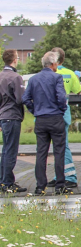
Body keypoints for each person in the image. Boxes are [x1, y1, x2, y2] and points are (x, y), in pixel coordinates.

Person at [22, 51, 68, 195]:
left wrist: (35, 110)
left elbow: (25, 98)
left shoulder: (34, 79)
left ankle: (40, 186)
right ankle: (60, 185)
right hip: (55, 117)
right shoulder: (57, 77)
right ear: (54, 64)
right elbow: (61, 97)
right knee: (59, 151)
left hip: (41, 119)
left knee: (41, 153)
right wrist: (62, 109)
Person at [47, 47, 81, 189]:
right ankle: (60, 175)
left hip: (50, 111)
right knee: (61, 145)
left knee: (60, 146)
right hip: (64, 111)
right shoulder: (69, 74)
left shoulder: (50, 73)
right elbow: (77, 90)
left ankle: (69, 176)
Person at [0, 49, 27, 193]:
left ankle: (3, 180)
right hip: (13, 116)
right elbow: (20, 98)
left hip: (3, 116)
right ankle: (8, 183)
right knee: (11, 150)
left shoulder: (0, 75)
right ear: (15, 60)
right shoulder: (16, 77)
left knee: (5, 150)